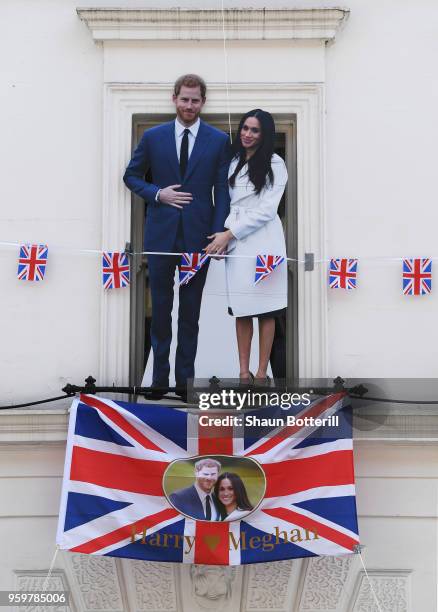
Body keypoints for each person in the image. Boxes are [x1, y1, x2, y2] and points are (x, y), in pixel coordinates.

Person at [123, 74, 231, 399]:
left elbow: (223, 188)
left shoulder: (218, 139)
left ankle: (185, 383)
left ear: (203, 102)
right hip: (160, 238)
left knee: (190, 314)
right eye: (184, 99)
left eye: (195, 100)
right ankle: (158, 380)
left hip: (199, 238)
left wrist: (219, 231)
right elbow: (130, 176)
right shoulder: (154, 137)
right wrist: (158, 194)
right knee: (160, 311)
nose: (189, 105)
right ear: (174, 98)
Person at [205, 109, 288, 383]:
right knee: (241, 306)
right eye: (245, 128)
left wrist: (229, 235)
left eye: (255, 130)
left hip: (265, 241)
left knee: (266, 309)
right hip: (236, 241)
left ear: (264, 135)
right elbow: (227, 202)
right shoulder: (234, 161)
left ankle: (262, 373)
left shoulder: (275, 163)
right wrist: (222, 236)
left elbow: (266, 211)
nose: (248, 134)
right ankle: (243, 372)